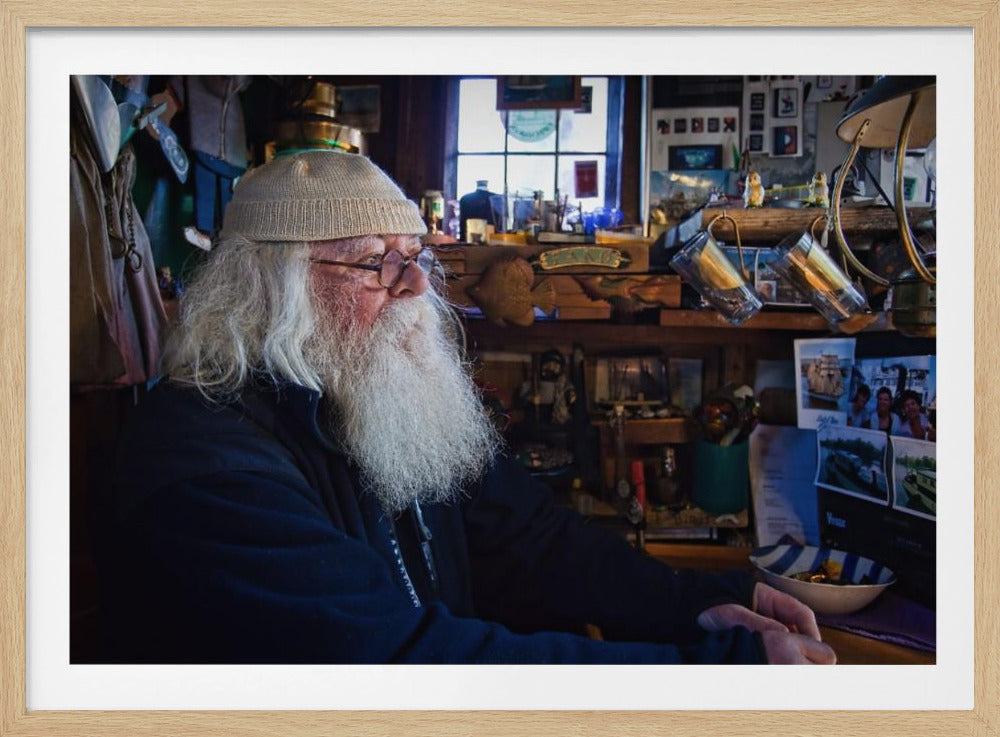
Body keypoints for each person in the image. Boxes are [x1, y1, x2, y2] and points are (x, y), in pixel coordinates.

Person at [101, 150, 835, 666]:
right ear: (270, 291)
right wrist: (712, 674)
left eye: (416, 256)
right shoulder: (198, 458)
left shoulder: (374, 395)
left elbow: (535, 541)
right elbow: (390, 662)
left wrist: (703, 603)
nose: (416, 287)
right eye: (371, 261)